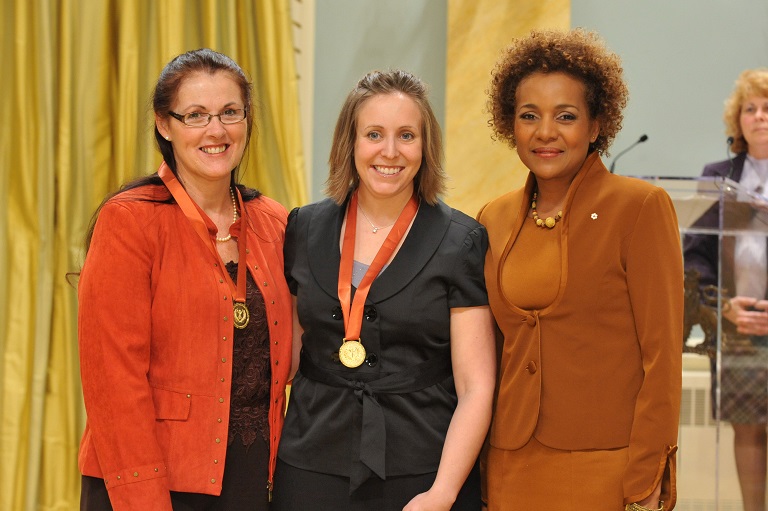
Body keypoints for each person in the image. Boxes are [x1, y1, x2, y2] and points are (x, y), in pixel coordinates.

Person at [77, 48, 292, 510]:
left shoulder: (276, 223)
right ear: (163, 124)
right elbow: (114, 384)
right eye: (195, 115)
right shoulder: (129, 222)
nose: (216, 131)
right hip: (149, 482)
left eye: (230, 113)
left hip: (255, 480)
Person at [477, 29, 683, 510]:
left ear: (596, 126)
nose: (545, 132)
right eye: (529, 116)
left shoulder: (639, 207)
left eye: (565, 116)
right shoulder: (493, 217)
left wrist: (647, 474)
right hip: (509, 464)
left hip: (607, 467)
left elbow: (663, 357)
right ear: (511, 125)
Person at [271, 69, 496, 511]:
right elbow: (290, 355)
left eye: (406, 135)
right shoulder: (303, 227)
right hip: (310, 465)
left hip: (423, 471)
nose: (389, 152)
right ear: (350, 143)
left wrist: (443, 493)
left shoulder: (461, 241)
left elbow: (476, 386)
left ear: (425, 146)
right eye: (374, 134)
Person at [683, 68, 768, 511]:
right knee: (748, 427)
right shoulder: (718, 177)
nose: (758, 117)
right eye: (749, 109)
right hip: (737, 322)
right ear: (737, 121)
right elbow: (695, 252)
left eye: (767, 108)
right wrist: (722, 304)